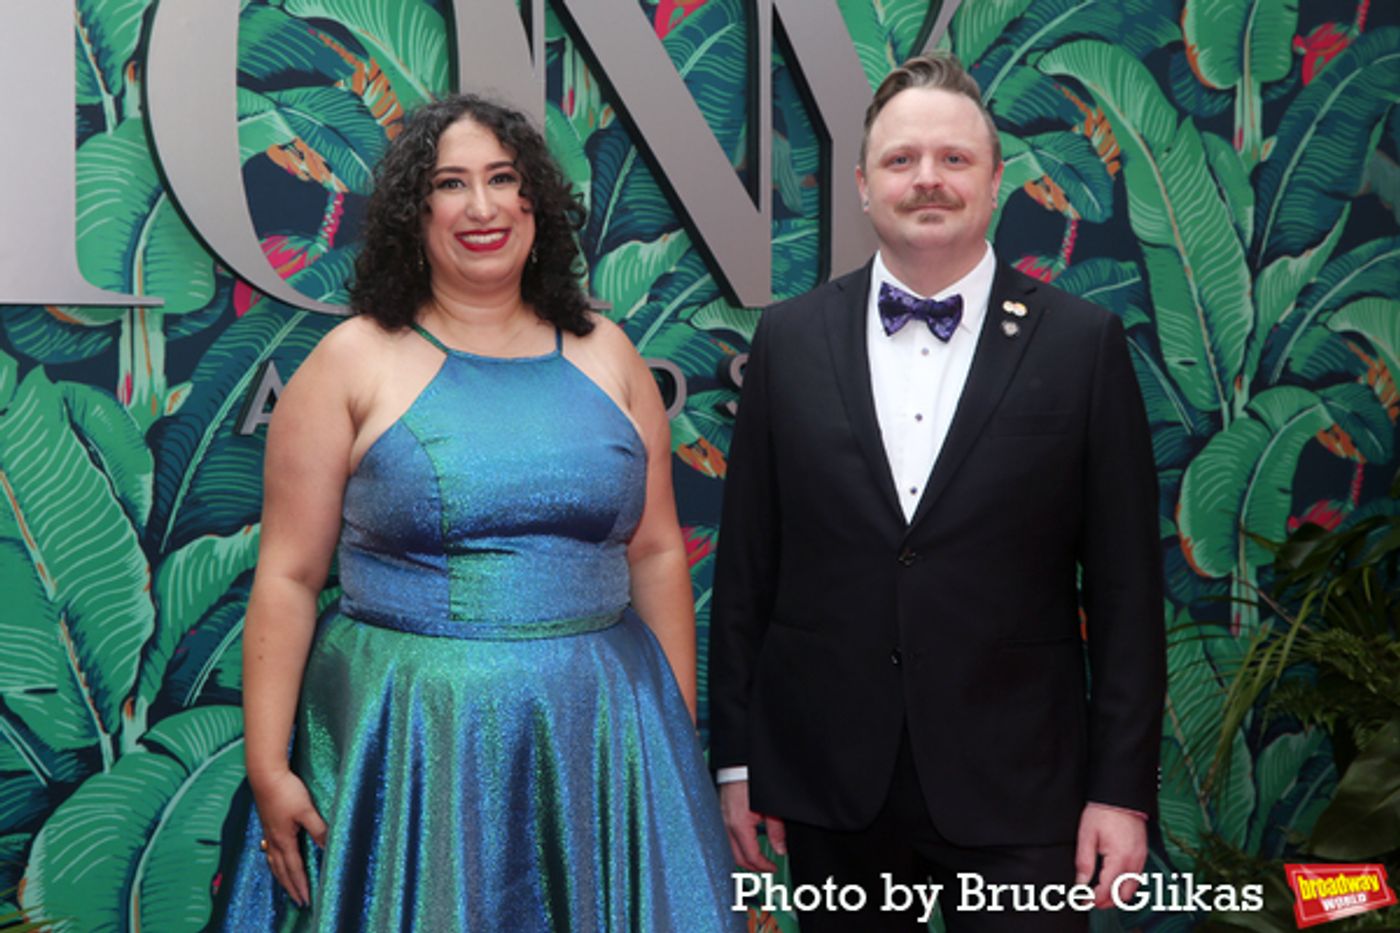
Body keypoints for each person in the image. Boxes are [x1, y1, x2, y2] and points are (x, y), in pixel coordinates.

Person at [212, 94, 741, 932]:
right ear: (413, 213)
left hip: (602, 732)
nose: (482, 207)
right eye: (450, 184)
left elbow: (656, 552)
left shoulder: (609, 353)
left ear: (536, 202)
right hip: (417, 738)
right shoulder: (350, 361)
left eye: (502, 178)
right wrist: (270, 766)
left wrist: (667, 734)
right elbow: (290, 575)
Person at [709, 53, 1165, 932]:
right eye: (901, 159)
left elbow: (1127, 594)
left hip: (1022, 786)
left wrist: (1120, 791)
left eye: (954, 159)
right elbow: (747, 572)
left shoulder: (1083, 344)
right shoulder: (788, 341)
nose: (928, 179)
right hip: (830, 782)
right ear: (862, 185)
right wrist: (738, 761)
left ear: (995, 181)